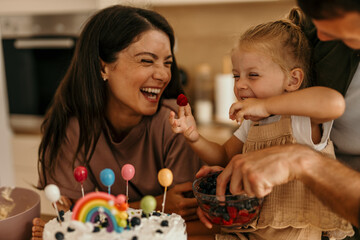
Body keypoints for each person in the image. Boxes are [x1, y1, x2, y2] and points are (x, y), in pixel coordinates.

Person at [170, 7, 353, 240]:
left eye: (253, 75)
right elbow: (224, 155)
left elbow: (333, 103)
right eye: (237, 76)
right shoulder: (253, 123)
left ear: (293, 79)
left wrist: (267, 106)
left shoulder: (301, 119)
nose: (240, 85)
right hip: (249, 230)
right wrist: (193, 136)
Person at [30, 5, 206, 240]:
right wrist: (155, 204)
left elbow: (196, 225)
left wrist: (103, 217)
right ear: (104, 66)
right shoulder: (71, 129)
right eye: (146, 60)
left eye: (167, 63)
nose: (164, 74)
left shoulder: (174, 124)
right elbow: (73, 221)